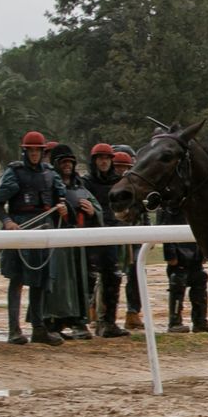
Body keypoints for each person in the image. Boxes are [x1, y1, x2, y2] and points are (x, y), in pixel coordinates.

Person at [0, 131, 69, 345]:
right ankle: (14, 330)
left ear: (43, 152)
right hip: (19, 230)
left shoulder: (50, 174)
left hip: (44, 230)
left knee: (41, 280)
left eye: (38, 150)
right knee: (16, 279)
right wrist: (8, 222)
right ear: (25, 151)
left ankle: (39, 328)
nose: (34, 154)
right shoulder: (14, 172)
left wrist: (63, 209)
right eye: (31, 150)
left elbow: (60, 201)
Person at [39, 144, 100, 340]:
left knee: (80, 282)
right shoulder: (50, 186)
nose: (67, 166)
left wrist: (92, 211)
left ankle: (78, 320)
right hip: (57, 242)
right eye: (63, 162)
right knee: (59, 284)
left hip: (78, 243)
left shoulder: (80, 187)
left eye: (70, 162)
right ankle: (54, 321)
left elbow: (97, 209)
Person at [81, 142, 129, 337]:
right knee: (89, 279)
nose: (104, 162)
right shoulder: (86, 183)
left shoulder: (119, 182)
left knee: (113, 277)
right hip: (91, 235)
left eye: (107, 158)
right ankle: (83, 322)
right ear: (94, 161)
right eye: (100, 158)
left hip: (112, 233)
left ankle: (108, 322)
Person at [158, 203, 208, 334]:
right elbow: (165, 228)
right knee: (178, 283)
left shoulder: (197, 204)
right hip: (178, 254)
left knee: (200, 281)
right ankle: (175, 322)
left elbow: (203, 227)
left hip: (195, 251)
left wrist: (203, 252)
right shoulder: (170, 205)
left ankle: (200, 321)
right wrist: (170, 253)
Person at [111, 149, 146, 331]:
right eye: (118, 168)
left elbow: (143, 211)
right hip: (113, 237)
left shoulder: (135, 187)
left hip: (135, 237)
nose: (121, 171)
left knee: (136, 276)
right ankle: (99, 312)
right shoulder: (110, 186)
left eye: (125, 168)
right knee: (110, 276)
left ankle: (133, 313)